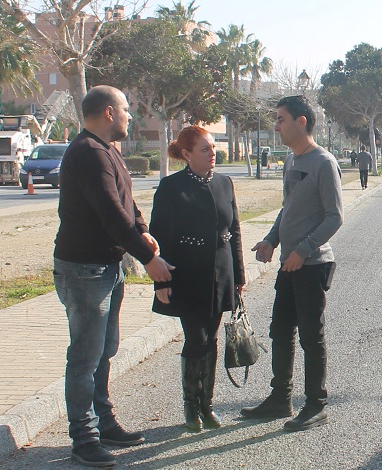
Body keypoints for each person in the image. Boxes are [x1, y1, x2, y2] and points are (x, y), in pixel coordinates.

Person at [53, 85, 174, 467]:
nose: (129, 115)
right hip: (84, 270)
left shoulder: (107, 150)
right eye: (125, 109)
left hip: (107, 267)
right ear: (108, 112)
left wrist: (142, 230)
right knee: (85, 357)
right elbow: (109, 213)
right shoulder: (88, 152)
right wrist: (148, 258)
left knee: (104, 351)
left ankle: (103, 423)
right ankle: (84, 438)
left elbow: (126, 201)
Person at [243, 95, 343, 432]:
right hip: (289, 264)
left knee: (311, 337)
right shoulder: (290, 160)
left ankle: (316, 405)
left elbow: (334, 217)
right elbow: (288, 209)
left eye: (281, 119)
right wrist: (271, 240)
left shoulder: (323, 163)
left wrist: (303, 250)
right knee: (281, 331)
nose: (276, 126)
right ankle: (280, 398)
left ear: (301, 122)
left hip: (312, 265)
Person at [149, 125, 245, 433]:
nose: (212, 154)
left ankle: (207, 404)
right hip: (187, 275)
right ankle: (191, 405)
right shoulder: (171, 187)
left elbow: (235, 232)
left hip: (221, 273)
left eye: (213, 148)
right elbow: (159, 236)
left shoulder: (224, 183)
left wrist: (239, 275)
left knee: (212, 338)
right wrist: (161, 282)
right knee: (197, 338)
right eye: (205, 149)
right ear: (187, 154)